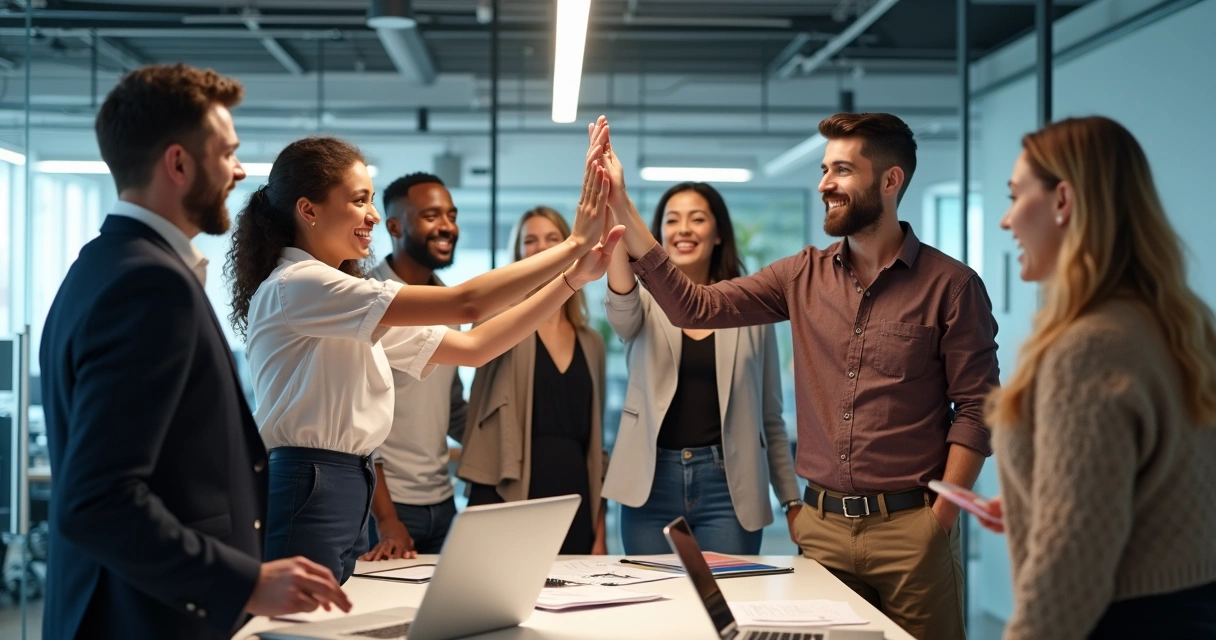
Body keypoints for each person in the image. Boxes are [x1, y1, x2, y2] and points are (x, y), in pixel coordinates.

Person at [594, 112, 999, 640]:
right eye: (825, 169)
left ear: (890, 180)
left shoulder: (952, 286)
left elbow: (977, 409)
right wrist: (622, 205)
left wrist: (938, 521)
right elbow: (693, 307)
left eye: (842, 170)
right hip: (823, 530)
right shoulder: (798, 276)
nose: (825, 184)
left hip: (911, 528)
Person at [39, 64, 349, 640]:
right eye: (226, 153)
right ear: (179, 164)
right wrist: (244, 582)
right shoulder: (148, 285)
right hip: (142, 618)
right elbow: (97, 499)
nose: (240, 170)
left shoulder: (97, 265)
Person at [225, 133, 621, 583]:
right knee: (300, 625)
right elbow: (466, 304)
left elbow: (475, 348)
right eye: (359, 201)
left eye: (372, 200)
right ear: (308, 209)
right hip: (312, 479)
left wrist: (572, 280)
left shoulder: (340, 302)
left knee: (331, 621)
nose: (373, 215)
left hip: (345, 482)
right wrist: (571, 247)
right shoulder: (299, 285)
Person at [981, 116, 1216, 640]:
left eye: (1015, 195)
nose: (1005, 220)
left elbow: (1070, 569)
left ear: (1063, 200)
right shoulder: (1181, 323)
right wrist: (1046, 497)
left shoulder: (1088, 347)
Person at [603, 181, 799, 555]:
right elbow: (620, 313)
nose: (684, 229)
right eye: (673, 220)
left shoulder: (751, 307)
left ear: (719, 234)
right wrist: (616, 212)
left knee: (726, 604)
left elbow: (770, 418)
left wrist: (791, 500)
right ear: (657, 234)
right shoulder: (640, 299)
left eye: (697, 219)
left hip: (729, 488)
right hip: (650, 484)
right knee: (651, 606)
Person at [456, 206, 610, 555]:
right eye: (530, 241)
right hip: (505, 489)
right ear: (518, 255)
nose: (541, 248)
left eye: (552, 239)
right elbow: (474, 330)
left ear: (572, 246)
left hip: (574, 499)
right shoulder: (502, 324)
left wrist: (600, 529)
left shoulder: (592, 343)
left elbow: (596, 446)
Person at [361, 172, 468, 561]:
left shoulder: (449, 305)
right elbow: (358, 430)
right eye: (431, 216)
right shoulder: (364, 301)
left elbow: (453, 407)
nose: (446, 227)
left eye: (451, 215)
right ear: (393, 225)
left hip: (443, 503)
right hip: (387, 511)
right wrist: (387, 518)